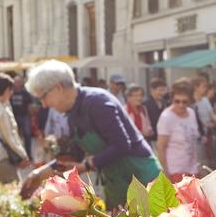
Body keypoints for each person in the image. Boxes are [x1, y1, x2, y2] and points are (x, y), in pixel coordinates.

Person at [24, 60, 160, 208]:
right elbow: (74, 155)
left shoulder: (97, 102)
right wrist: (38, 174)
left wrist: (87, 165)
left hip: (141, 176)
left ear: (58, 88)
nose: (43, 104)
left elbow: (121, 145)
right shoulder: (72, 114)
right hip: (117, 182)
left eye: (43, 97)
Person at [0, 74, 30, 184]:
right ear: (7, 90)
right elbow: (10, 137)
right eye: (11, 90)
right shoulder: (3, 111)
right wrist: (23, 155)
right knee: (16, 191)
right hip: (0, 158)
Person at [155, 80, 201, 180]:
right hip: (175, 171)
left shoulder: (191, 113)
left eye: (184, 102)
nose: (181, 104)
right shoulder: (166, 117)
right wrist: (165, 173)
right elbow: (160, 147)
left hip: (192, 170)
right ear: (172, 99)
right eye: (177, 101)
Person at [9, 75, 34, 156]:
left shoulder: (25, 93)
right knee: (15, 137)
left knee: (27, 135)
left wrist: (31, 116)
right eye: (15, 82)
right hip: (14, 116)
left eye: (18, 82)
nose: (17, 83)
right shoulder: (11, 93)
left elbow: (30, 105)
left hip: (24, 116)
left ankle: (29, 154)